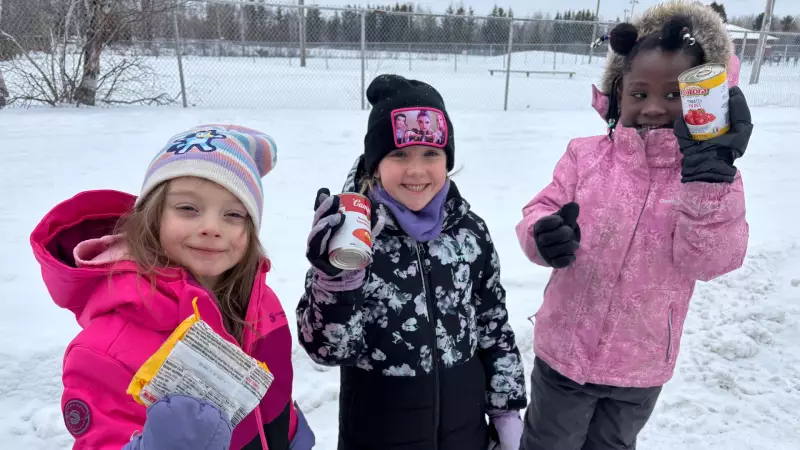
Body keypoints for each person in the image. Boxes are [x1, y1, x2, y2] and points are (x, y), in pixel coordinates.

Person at [515, 2, 752, 449]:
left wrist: (708, 183)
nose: (655, 107)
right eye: (639, 94)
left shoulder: (709, 178)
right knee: (548, 442)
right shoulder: (585, 155)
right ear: (617, 94)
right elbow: (541, 208)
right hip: (564, 353)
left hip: (639, 366)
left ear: (705, 98)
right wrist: (543, 235)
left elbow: (710, 262)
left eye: (674, 95)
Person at [30, 125, 315, 450]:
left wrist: (293, 437)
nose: (212, 227)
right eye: (188, 208)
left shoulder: (260, 302)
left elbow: (274, 398)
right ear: (152, 217)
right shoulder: (103, 350)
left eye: (234, 214)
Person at [297, 74, 527, 450]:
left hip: (464, 434)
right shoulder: (354, 237)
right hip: (377, 435)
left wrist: (506, 411)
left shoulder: (469, 233)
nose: (416, 170)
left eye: (431, 154)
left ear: (448, 160)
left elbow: (493, 325)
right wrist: (335, 281)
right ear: (375, 164)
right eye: (399, 155)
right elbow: (328, 350)